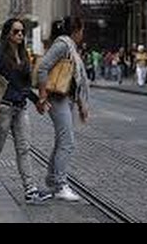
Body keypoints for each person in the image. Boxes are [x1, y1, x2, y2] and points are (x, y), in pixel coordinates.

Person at [0, 18, 52, 204]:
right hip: (3, 107)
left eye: (22, 32)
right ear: (7, 34)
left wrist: (37, 101)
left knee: (24, 148)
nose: (20, 34)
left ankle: (30, 190)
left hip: (20, 108)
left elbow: (24, 86)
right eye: (15, 31)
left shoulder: (24, 55)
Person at [37, 16, 90, 201]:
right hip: (57, 98)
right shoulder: (62, 45)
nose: (83, 35)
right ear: (76, 31)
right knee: (67, 142)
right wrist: (42, 96)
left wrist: (82, 104)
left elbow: (76, 80)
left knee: (62, 141)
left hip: (66, 98)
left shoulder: (70, 47)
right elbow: (42, 68)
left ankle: (53, 179)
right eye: (82, 31)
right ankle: (60, 185)